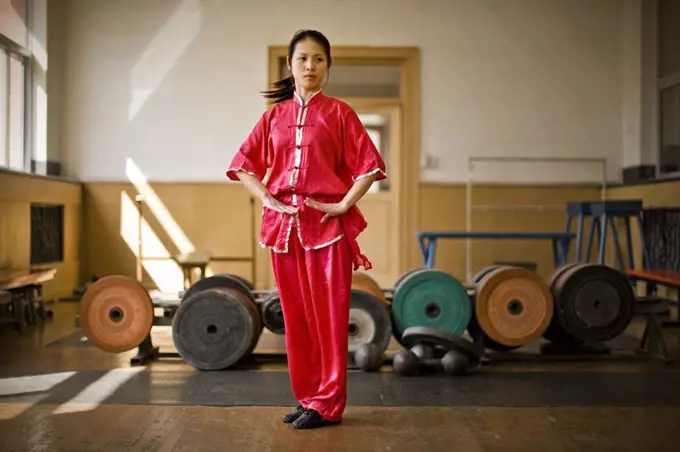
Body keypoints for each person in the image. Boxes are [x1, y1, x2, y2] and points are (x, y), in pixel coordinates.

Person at [226, 29, 387, 430]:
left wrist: (344, 204)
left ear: (328, 66)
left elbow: (369, 167)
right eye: (303, 59)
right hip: (284, 231)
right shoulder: (273, 117)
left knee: (329, 319)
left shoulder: (340, 114)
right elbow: (244, 165)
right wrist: (267, 198)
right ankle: (309, 398)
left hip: (327, 229)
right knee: (296, 319)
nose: (310, 66)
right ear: (290, 65)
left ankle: (329, 404)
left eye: (318, 59)